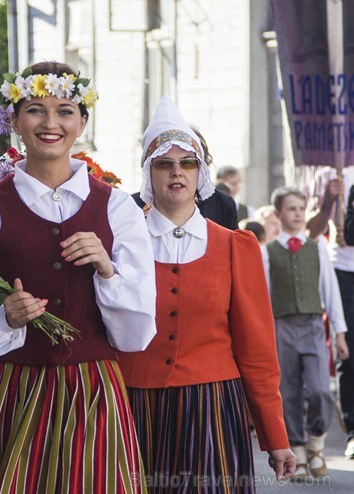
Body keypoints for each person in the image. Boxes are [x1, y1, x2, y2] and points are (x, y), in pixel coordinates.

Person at [0, 61, 156, 492]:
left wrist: (107, 270)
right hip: (8, 392)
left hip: (90, 391)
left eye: (65, 111)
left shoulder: (117, 208)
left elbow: (136, 334)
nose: (50, 123)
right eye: (36, 109)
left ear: (83, 122)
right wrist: (5, 318)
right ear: (15, 121)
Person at [116, 96, 295, 491]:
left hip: (213, 409)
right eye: (164, 163)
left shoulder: (236, 246)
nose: (176, 173)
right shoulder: (122, 244)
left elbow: (258, 350)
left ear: (201, 172)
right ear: (149, 173)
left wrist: (275, 437)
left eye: (188, 163)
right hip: (135, 407)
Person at [263, 186, 349, 479]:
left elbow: (331, 291)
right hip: (282, 326)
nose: (297, 214)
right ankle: (298, 452)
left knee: (320, 391)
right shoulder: (268, 252)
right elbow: (264, 298)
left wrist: (339, 332)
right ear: (278, 214)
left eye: (301, 209)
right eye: (291, 209)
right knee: (287, 393)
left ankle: (316, 445)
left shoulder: (318, 248)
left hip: (313, 325)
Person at [307, 171, 354, 459]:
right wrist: (327, 203)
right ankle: (352, 431)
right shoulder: (330, 173)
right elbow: (310, 231)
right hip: (345, 272)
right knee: (349, 355)